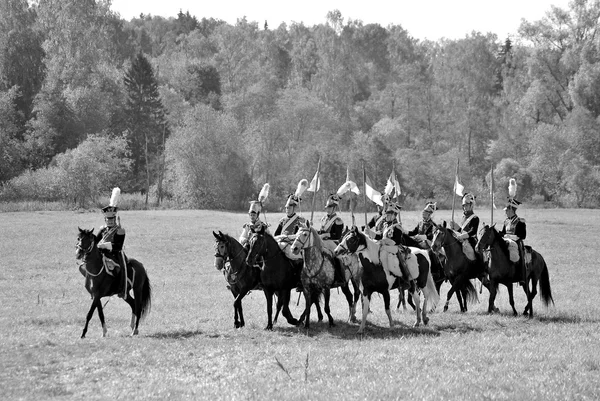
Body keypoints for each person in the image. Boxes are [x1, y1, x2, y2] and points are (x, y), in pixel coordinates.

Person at [96, 188, 127, 298]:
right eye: (108, 220)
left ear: (115, 219)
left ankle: (123, 288)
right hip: (102, 253)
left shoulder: (120, 230)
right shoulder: (103, 229)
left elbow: (118, 246)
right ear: (105, 220)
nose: (110, 221)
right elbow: (96, 241)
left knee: (122, 268)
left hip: (115, 253)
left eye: (111, 220)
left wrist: (105, 246)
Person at [500, 197, 527, 284]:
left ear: (511, 210)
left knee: (521, 255)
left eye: (506, 210)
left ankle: (522, 276)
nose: (505, 212)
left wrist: (510, 236)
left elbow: (523, 236)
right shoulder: (506, 221)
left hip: (517, 243)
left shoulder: (520, 222)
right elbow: (503, 233)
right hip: (506, 242)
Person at [451, 193, 480, 260]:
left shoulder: (475, 218)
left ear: (471, 205)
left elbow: (472, 232)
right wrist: (455, 227)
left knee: (475, 256)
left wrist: (461, 236)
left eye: (466, 205)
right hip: (462, 239)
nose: (465, 207)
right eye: (464, 206)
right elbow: (462, 231)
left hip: (471, 240)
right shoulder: (463, 217)